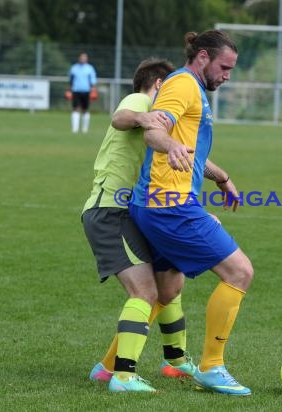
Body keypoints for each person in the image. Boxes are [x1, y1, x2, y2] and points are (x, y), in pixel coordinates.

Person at [128, 30, 254, 396]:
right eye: (224, 67)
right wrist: (168, 144)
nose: (227, 76)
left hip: (159, 204)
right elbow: (154, 130)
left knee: (167, 290)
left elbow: (191, 150)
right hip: (171, 206)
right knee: (240, 272)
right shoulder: (183, 86)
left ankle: (110, 367)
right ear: (202, 57)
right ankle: (213, 367)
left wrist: (221, 176)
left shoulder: (192, 89)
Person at [82, 58, 196, 393]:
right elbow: (120, 118)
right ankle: (123, 376)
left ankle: (174, 362)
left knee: (168, 284)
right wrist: (143, 114)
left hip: (136, 212)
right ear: (159, 83)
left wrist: (219, 175)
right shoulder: (142, 101)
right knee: (144, 292)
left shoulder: (159, 123)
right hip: (110, 211)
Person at [68, 52, 97, 133]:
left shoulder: (90, 68)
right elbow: (71, 80)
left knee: (85, 109)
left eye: (85, 58)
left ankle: (85, 129)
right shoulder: (74, 68)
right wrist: (69, 89)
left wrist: (93, 89)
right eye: (82, 57)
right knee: (75, 109)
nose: (83, 59)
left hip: (86, 91)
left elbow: (93, 81)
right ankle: (75, 129)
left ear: (87, 59)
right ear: (79, 58)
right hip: (76, 91)